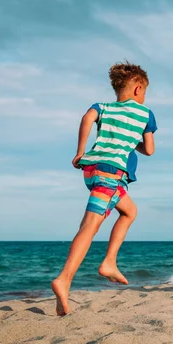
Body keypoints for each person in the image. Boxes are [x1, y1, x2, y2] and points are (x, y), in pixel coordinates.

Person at [51, 61, 157, 316]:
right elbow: (149, 149)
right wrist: (135, 142)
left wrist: (80, 152)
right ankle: (64, 279)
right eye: (144, 93)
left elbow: (87, 118)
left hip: (93, 170)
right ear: (138, 89)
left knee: (130, 211)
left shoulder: (103, 107)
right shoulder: (145, 114)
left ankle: (109, 261)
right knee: (89, 226)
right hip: (112, 172)